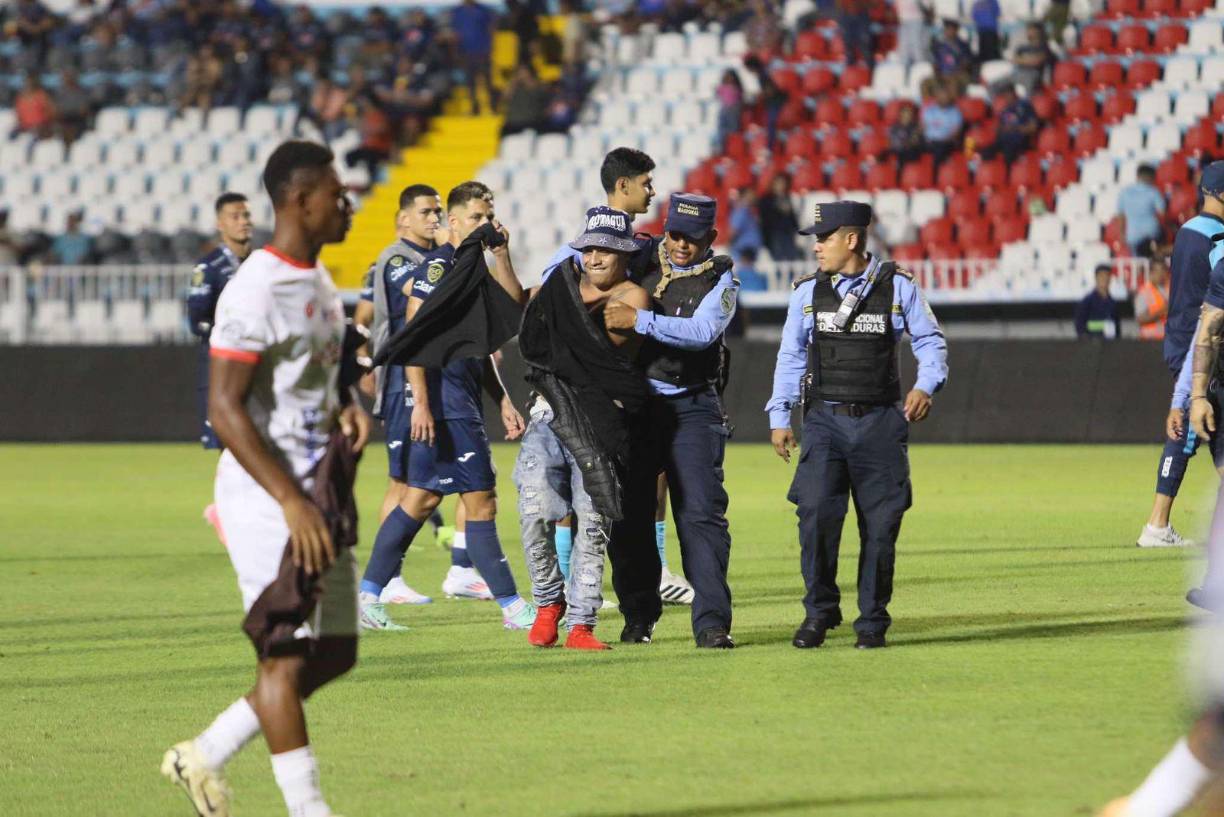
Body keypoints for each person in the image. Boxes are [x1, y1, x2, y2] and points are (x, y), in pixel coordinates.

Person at [161, 139, 365, 817]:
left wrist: (348, 409)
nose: (348, 202)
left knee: (336, 650)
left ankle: (205, 752)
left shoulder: (317, 280)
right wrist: (289, 501)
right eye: (337, 192)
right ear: (302, 200)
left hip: (318, 489)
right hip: (267, 498)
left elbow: (315, 379)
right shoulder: (254, 288)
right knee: (281, 660)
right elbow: (224, 407)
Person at [767, 200, 948, 650]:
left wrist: (925, 386)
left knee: (881, 525)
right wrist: (779, 415)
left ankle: (872, 621)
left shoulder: (898, 287)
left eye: (823, 238)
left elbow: (930, 340)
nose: (816, 248)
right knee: (815, 518)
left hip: (881, 423)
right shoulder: (807, 292)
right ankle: (820, 612)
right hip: (825, 421)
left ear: (851, 240)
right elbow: (790, 355)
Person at [357, 181, 534, 631]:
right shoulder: (440, 267)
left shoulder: (475, 269)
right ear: (453, 222)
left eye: (489, 216)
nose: (485, 224)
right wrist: (419, 403)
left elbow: (503, 321)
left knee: (422, 499)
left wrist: (503, 400)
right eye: (476, 217)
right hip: (442, 402)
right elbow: (414, 334)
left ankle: (369, 593)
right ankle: (513, 607)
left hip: (465, 398)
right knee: (478, 500)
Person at [526, 147, 697, 610]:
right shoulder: (576, 252)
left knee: (643, 484)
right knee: (579, 490)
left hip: (639, 384)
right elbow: (550, 305)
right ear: (623, 186)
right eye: (646, 183)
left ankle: (655, 570)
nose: (652, 191)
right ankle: (566, 581)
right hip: (588, 391)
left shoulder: (648, 245)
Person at [604, 193, 740, 648]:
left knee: (701, 515)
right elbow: (581, 260)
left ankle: (712, 624)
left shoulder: (722, 279)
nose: (682, 245)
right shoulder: (637, 255)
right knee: (630, 516)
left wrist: (639, 320)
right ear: (665, 227)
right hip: (638, 405)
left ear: (712, 238)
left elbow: (702, 334)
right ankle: (638, 618)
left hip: (693, 407)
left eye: (694, 238)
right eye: (676, 234)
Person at [517, 206, 653, 650]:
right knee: (534, 509)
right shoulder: (560, 288)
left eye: (605, 249)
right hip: (548, 414)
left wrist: (556, 312)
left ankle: (581, 624)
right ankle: (547, 602)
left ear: (624, 254)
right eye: (588, 248)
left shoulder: (633, 298)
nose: (594, 257)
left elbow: (593, 354)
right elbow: (523, 313)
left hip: (600, 424)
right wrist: (501, 260)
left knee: (592, 523)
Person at [351, 184, 469, 616]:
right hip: (403, 376)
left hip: (424, 374)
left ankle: (406, 576)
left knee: (420, 480)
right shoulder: (398, 258)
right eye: (426, 212)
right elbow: (419, 297)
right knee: (402, 481)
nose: (434, 218)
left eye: (438, 211)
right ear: (403, 218)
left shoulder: (430, 259)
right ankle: (388, 579)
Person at [1153, 163, 1224, 575]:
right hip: (1204, 342)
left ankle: (1158, 521)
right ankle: (1157, 522)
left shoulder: (1186, 231)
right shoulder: (1217, 237)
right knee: (1197, 424)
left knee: (1193, 422)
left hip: (1180, 335)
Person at [187, 192, 254, 456]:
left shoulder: (262, 263)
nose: (243, 222)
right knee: (228, 449)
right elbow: (196, 320)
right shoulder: (209, 267)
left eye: (246, 215)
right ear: (220, 224)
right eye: (235, 216)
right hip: (223, 366)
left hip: (259, 363)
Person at [451, 0, 498, 115]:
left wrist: (489, 47)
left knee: (487, 81)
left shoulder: (483, 10)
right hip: (466, 53)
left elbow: (491, 29)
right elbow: (456, 34)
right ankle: (473, 107)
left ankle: (493, 106)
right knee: (470, 82)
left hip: (483, 52)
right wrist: (457, 51)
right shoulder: (457, 12)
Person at [1119, 165, 1167, 259]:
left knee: (1137, 260)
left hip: (1132, 234)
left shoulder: (1125, 192)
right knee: (1153, 259)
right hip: (1152, 232)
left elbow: (1120, 215)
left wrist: (1121, 233)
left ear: (1137, 176)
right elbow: (1162, 212)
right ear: (1151, 177)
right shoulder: (1153, 191)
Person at [759, 174, 802, 262]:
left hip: (788, 233)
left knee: (791, 257)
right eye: (778, 183)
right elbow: (765, 216)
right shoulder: (767, 198)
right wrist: (777, 207)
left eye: (783, 183)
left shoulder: (787, 197)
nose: (780, 186)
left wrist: (796, 228)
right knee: (778, 258)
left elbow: (792, 216)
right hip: (774, 233)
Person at [994, 82, 1039, 164]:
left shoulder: (1024, 105)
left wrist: (1015, 128)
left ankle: (1008, 174)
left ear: (1013, 93)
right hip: (1004, 140)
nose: (1006, 97)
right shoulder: (1005, 110)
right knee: (987, 152)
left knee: (1008, 152)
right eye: (1004, 95)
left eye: (1008, 93)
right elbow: (999, 128)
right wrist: (1000, 129)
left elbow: (1033, 127)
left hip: (1019, 141)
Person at [920, 80, 963, 166]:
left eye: (945, 95)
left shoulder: (955, 112)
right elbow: (923, 128)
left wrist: (944, 140)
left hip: (946, 142)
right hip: (929, 141)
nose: (943, 97)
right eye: (941, 95)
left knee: (939, 149)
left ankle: (936, 173)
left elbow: (956, 133)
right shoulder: (929, 110)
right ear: (937, 97)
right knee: (910, 149)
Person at [1075, 264, 1121, 339]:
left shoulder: (1113, 303)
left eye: (1107, 276)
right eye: (1101, 276)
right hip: (1092, 345)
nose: (1104, 279)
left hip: (1111, 346)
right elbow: (1080, 327)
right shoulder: (1087, 301)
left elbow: (1117, 328)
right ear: (1096, 278)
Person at [1011, 22, 1055, 95]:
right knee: (997, 84)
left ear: (1038, 32)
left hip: (1034, 75)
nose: (1029, 33)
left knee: (1029, 80)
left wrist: (1023, 59)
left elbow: (1037, 61)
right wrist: (1029, 59)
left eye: (1032, 30)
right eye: (1028, 30)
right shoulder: (1022, 47)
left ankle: (1028, 103)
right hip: (1018, 73)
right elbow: (1014, 59)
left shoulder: (1044, 47)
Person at [1135, 258, 1170, 341]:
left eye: (1162, 270)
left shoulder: (1170, 289)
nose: (1160, 274)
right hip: (1149, 341)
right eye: (1157, 271)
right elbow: (1140, 319)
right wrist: (1161, 312)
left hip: (1166, 340)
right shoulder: (1144, 292)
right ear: (1151, 272)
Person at [931, 19, 973, 89]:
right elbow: (935, 63)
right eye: (946, 29)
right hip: (942, 75)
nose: (948, 31)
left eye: (950, 29)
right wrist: (938, 75)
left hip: (958, 75)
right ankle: (931, 100)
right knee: (925, 83)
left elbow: (966, 64)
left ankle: (950, 100)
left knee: (953, 83)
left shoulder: (962, 45)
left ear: (956, 30)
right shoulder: (939, 45)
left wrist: (953, 74)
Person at [729, 187, 763, 266]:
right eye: (750, 194)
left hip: (752, 250)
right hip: (745, 251)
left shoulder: (750, 210)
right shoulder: (741, 210)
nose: (754, 196)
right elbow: (734, 231)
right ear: (743, 196)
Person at [894, 0, 929, 68]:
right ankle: (904, 72)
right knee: (903, 50)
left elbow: (927, 7)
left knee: (917, 49)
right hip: (903, 21)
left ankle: (920, 69)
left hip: (918, 20)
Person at [888, 103, 924, 168]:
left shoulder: (915, 127)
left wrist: (908, 142)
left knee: (909, 151)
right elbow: (891, 142)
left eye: (910, 113)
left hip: (909, 151)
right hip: (897, 149)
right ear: (900, 114)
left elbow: (914, 142)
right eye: (905, 113)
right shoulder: (895, 127)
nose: (908, 115)